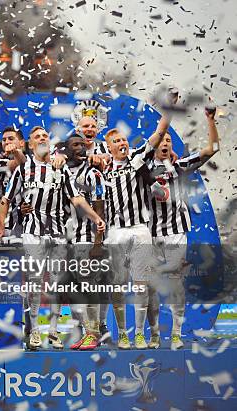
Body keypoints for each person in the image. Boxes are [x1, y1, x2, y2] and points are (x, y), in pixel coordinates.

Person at [0, 126, 105, 350]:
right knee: (34, 282)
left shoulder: (60, 169)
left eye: (45, 135)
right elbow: (6, 199)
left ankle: (53, 331)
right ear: (31, 145)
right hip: (33, 232)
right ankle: (34, 331)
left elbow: (76, 199)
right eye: (37, 137)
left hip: (58, 234)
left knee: (56, 284)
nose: (42, 138)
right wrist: (1, 226)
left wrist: (95, 218)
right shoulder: (24, 169)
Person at [145, 104, 220, 350]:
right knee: (151, 288)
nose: (165, 143)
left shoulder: (180, 166)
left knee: (176, 284)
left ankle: (176, 334)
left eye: (169, 140)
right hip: (151, 235)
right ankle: (154, 334)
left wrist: (210, 120)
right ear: (154, 144)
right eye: (161, 140)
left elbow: (212, 150)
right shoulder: (141, 170)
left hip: (177, 234)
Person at [101, 97, 173, 350]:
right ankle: (122, 333)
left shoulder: (137, 159)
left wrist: (169, 106)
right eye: (115, 142)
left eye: (122, 139)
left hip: (140, 229)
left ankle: (139, 334)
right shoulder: (103, 169)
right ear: (108, 148)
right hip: (116, 232)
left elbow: (159, 133)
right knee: (118, 286)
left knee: (141, 284)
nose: (121, 143)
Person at [59, 133, 108, 351]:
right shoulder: (60, 172)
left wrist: (97, 244)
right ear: (66, 150)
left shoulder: (94, 174)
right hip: (64, 239)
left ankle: (93, 333)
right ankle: (87, 331)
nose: (81, 147)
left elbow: (100, 209)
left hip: (85, 238)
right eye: (75, 145)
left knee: (89, 286)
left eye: (82, 144)